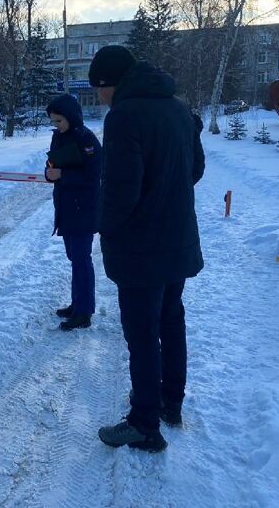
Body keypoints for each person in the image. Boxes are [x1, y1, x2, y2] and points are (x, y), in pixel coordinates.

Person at [91, 46, 205, 453]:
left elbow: (122, 193)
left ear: (109, 84)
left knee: (142, 337)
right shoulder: (178, 108)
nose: (99, 99)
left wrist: (102, 226)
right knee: (171, 322)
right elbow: (195, 170)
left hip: (141, 249)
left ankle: (144, 424)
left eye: (98, 90)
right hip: (176, 240)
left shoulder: (124, 117)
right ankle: (169, 403)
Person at [44, 94, 103, 330]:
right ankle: (77, 303)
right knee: (74, 259)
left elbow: (93, 176)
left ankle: (84, 311)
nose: (56, 126)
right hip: (66, 207)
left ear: (71, 117)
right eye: (53, 122)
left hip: (83, 208)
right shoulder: (59, 137)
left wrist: (63, 176)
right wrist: (50, 173)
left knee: (81, 259)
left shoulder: (85, 139)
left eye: (59, 121)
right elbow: (54, 165)